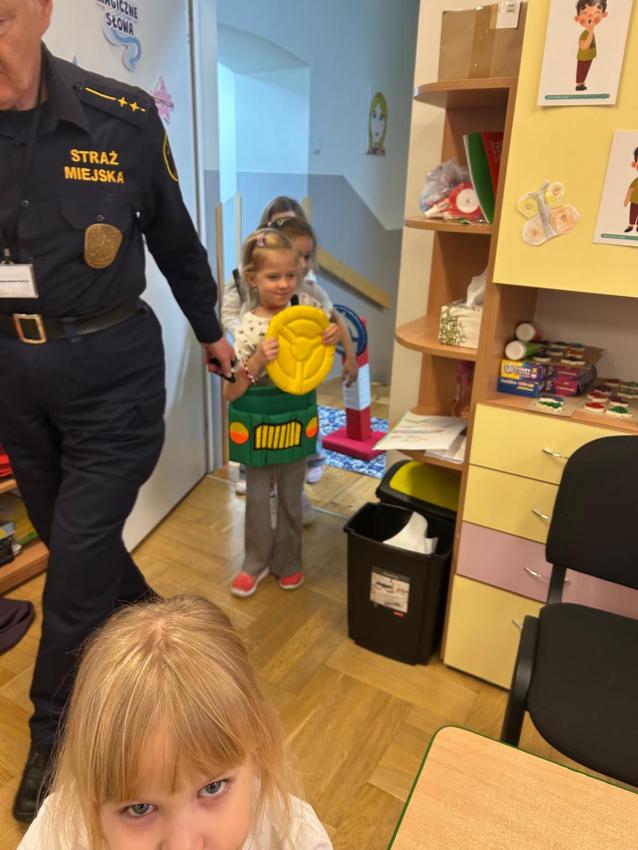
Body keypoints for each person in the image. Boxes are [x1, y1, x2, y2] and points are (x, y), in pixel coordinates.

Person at [0, 0, 234, 822]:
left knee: (74, 562)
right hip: (13, 376)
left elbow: (174, 238)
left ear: (39, 11)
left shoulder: (119, 117)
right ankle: (163, 635)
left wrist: (210, 330)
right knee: (74, 544)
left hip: (112, 374)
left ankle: (54, 732)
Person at [17, 595, 333, 850]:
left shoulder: (293, 838)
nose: (185, 845)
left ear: (258, 747)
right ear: (91, 795)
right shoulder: (58, 836)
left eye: (212, 788)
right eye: (139, 808)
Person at [225, 229, 341, 597]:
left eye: (291, 274)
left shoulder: (307, 312)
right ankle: (254, 562)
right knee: (258, 497)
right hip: (258, 418)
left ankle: (289, 561)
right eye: (273, 276)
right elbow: (230, 391)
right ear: (252, 278)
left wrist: (333, 337)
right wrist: (257, 360)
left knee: (292, 494)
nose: (284, 284)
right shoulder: (246, 327)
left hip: (296, 415)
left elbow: (321, 354)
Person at [574, 0, 608, 91]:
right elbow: (583, 46)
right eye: (584, 13)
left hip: (589, 56)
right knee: (581, 71)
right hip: (583, 57)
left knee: (585, 70)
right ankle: (579, 84)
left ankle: (581, 82)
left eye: (596, 12)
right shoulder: (585, 33)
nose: (590, 16)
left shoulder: (590, 33)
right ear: (577, 18)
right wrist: (590, 30)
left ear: (603, 14)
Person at [623, 146, 638, 233]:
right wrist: (626, 200)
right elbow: (630, 189)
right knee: (632, 213)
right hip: (634, 201)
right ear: (634, 164)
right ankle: (631, 225)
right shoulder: (636, 181)